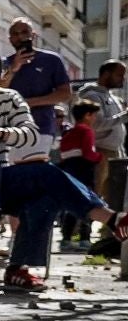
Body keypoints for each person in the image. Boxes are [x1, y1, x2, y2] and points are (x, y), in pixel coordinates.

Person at [0, 50, 123, 291]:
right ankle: (110, 217)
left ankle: (17, 269)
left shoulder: (10, 99)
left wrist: (1, 133)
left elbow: (30, 133)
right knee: (44, 174)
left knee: (45, 193)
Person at [2, 17, 74, 137]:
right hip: (10, 128)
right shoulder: (3, 63)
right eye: (15, 34)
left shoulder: (51, 60)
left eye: (25, 32)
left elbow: (65, 93)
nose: (20, 37)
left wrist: (31, 102)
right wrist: (13, 68)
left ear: (33, 35)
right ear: (10, 39)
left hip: (41, 128)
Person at [77, 59, 125, 218]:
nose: (123, 79)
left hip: (115, 153)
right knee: (92, 194)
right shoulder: (92, 96)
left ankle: (109, 235)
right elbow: (97, 125)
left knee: (115, 196)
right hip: (99, 152)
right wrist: (125, 116)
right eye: (119, 75)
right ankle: (79, 234)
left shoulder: (113, 98)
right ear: (106, 74)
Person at [59, 99, 103, 248]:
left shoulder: (69, 133)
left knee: (71, 206)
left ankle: (66, 239)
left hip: (69, 171)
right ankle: (85, 238)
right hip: (84, 171)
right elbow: (89, 153)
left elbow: (63, 153)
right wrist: (100, 157)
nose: (95, 119)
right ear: (87, 115)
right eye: (94, 115)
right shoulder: (86, 131)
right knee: (89, 204)